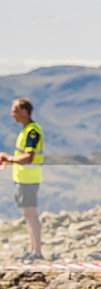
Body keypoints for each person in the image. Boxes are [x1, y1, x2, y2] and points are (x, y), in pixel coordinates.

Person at [0, 98, 44, 263]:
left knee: (31, 214)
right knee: (28, 214)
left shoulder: (32, 131)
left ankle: (37, 252)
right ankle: (33, 250)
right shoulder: (26, 131)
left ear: (24, 112)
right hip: (23, 178)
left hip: (29, 179)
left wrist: (9, 159)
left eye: (15, 110)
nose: (13, 114)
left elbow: (29, 157)